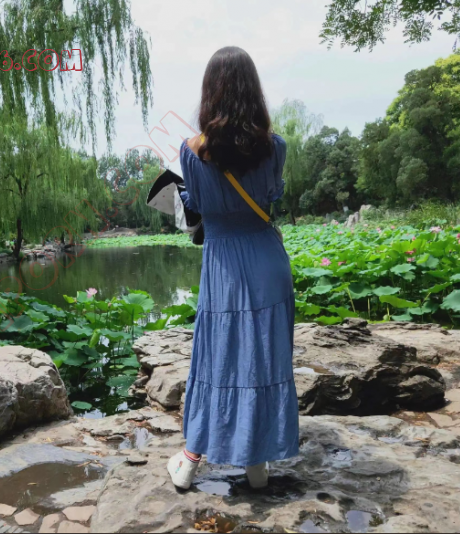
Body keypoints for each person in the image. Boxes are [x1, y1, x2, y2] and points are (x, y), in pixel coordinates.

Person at [167, 47, 297, 490]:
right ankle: (257, 464)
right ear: (253, 91)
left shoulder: (191, 152)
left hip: (222, 265)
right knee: (265, 360)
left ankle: (189, 462)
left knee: (216, 359)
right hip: (267, 261)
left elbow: (199, 206)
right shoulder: (275, 147)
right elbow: (271, 196)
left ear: (210, 93)